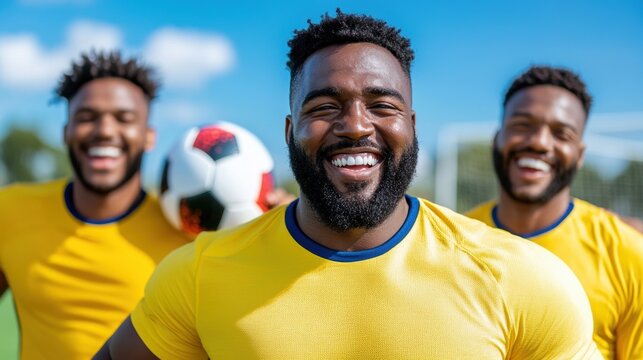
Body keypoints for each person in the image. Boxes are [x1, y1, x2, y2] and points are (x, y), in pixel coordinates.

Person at [98, 11, 601, 359]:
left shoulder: (522, 279)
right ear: (291, 131)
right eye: (324, 107)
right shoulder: (200, 273)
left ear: (412, 125)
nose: (356, 126)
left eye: (382, 105)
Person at [0, 51, 192, 359]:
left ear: (148, 137)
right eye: (87, 117)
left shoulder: (188, 229)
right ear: (66, 132)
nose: (104, 130)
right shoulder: (9, 211)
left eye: (124, 118)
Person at [467, 65, 643, 359]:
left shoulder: (627, 253)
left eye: (562, 134)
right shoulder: (454, 240)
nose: (539, 142)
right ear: (497, 137)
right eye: (522, 125)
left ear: (580, 154)